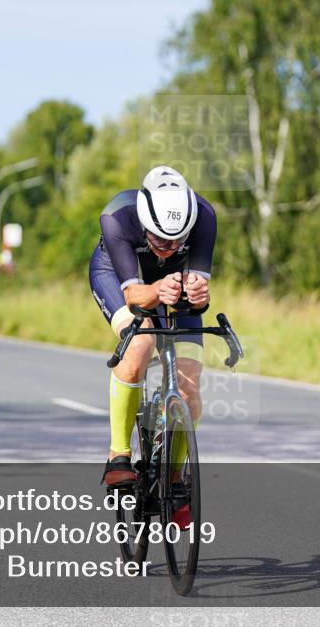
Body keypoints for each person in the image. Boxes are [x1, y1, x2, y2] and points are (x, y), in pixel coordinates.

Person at [88, 165, 216, 528]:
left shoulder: (205, 217)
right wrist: (158, 289)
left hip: (173, 284)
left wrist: (198, 293)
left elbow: (197, 296)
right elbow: (134, 295)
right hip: (118, 276)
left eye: (177, 242)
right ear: (144, 222)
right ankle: (118, 454)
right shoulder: (117, 217)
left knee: (190, 389)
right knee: (141, 342)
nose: (169, 248)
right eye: (160, 240)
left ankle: (174, 482)